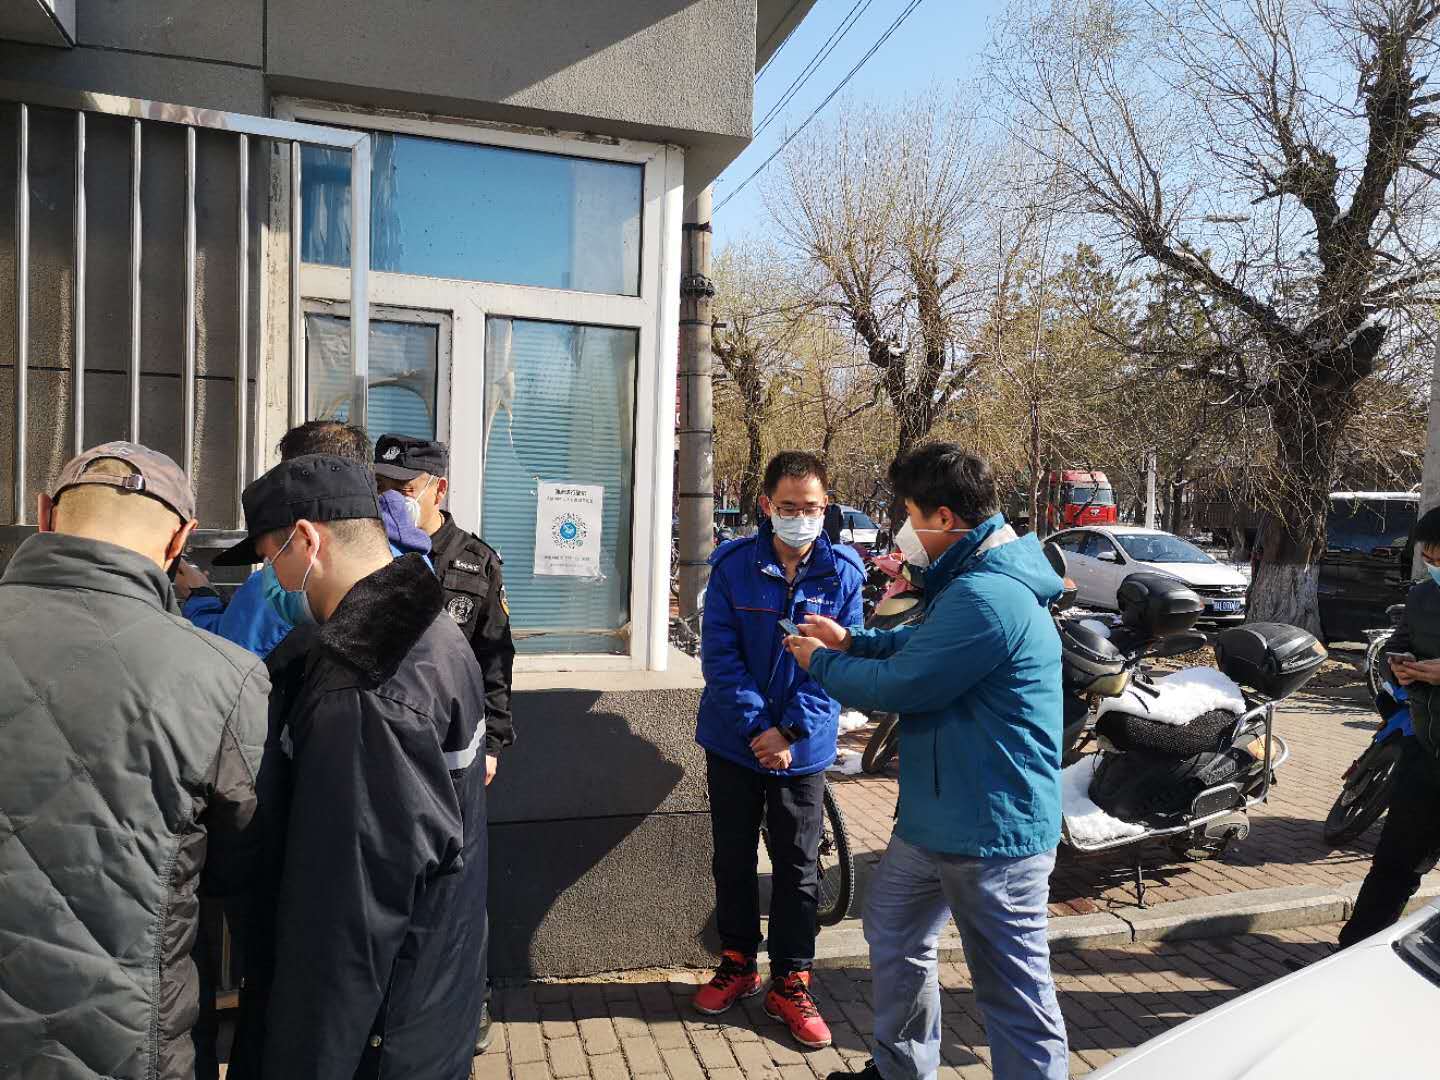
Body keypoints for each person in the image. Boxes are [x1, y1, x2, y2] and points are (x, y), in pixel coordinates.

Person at [786, 443, 1070, 1080]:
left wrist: (821, 663)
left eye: (911, 515)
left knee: (1013, 989)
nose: (905, 530)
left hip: (991, 831)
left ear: (944, 518)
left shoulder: (989, 595)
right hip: (938, 821)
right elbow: (922, 644)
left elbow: (906, 684)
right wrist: (853, 640)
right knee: (893, 928)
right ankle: (901, 1068)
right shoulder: (972, 582)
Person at [0, 442, 270, 1079]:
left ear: (45, 512)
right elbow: (241, 865)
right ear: (181, 540)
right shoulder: (224, 677)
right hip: (131, 1043)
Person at [214, 455, 489, 1079]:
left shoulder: (366, 692)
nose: (272, 579)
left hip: (373, 1038)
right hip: (425, 999)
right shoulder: (429, 630)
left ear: (306, 540)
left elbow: (346, 927)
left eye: (270, 559)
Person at [691, 451, 865, 1049]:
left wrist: (789, 732)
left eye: (810, 507)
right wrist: (758, 731)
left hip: (803, 751)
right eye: (788, 507)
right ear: (767, 506)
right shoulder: (733, 566)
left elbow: (839, 667)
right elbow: (719, 657)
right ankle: (737, 961)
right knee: (733, 857)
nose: (799, 517)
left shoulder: (844, 574)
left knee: (797, 866)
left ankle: (791, 979)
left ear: (826, 507)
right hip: (734, 743)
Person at [372, 433, 515, 1053]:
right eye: (381, 486)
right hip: (383, 744)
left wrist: (495, 743)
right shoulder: (368, 548)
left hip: (453, 752)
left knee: (456, 884)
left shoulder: (474, 562)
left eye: (404, 488)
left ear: (438, 490)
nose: (391, 498)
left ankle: (467, 1000)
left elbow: (495, 661)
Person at [178, 421, 430, 656]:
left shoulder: (284, 585)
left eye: (270, 556)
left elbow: (226, 655)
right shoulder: (414, 571)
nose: (274, 574)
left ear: (307, 540)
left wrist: (201, 598)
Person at [1339, 507, 1440, 948]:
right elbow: (1397, 644)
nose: (1434, 568)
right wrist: (1399, 665)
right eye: (1429, 560)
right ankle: (1351, 952)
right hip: (1426, 747)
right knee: (1394, 863)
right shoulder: (1422, 598)